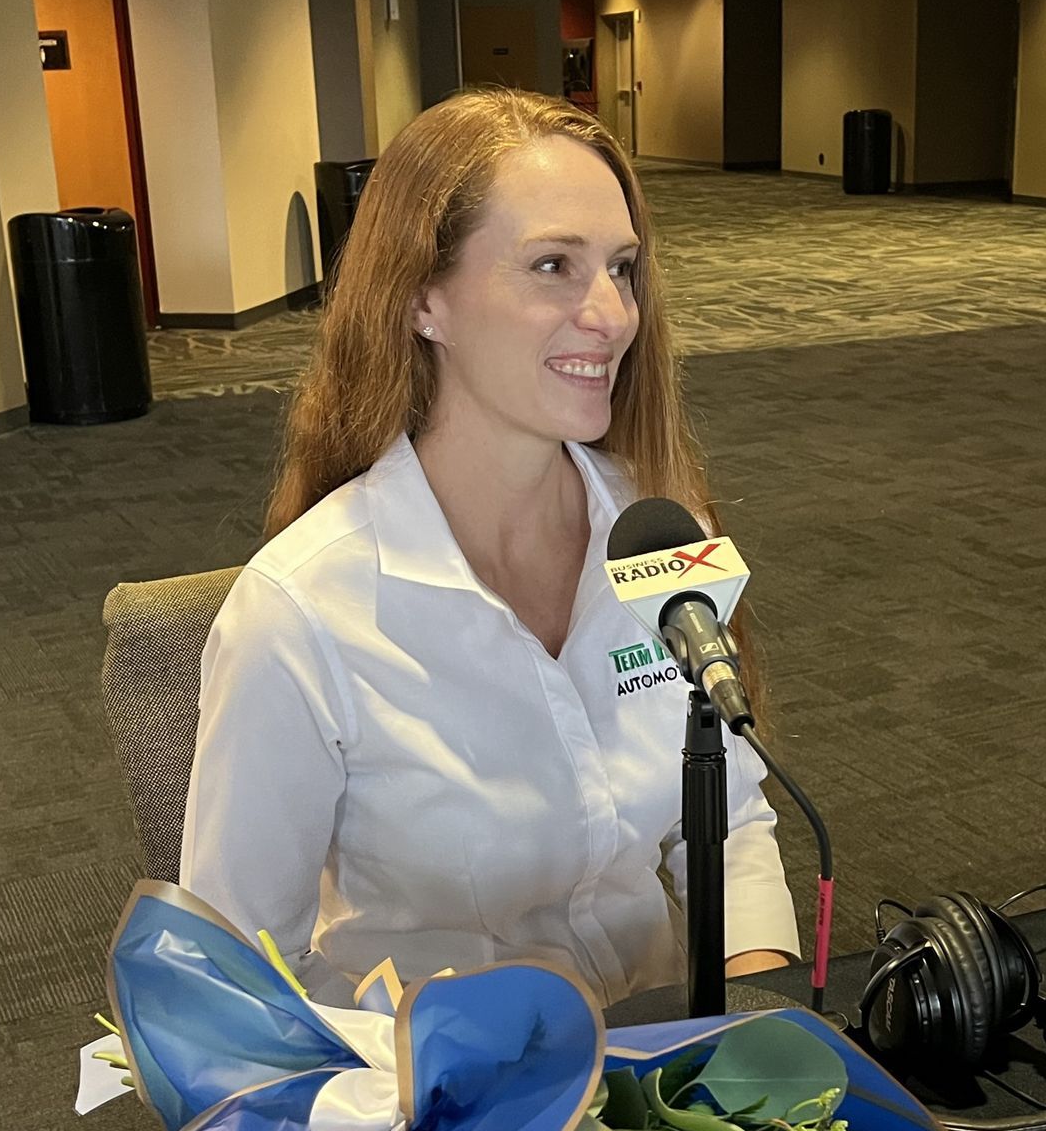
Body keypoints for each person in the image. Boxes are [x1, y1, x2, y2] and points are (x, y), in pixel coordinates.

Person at [178, 88, 798, 1007]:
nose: (614, 315)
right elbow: (234, 981)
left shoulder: (662, 530)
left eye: (621, 268)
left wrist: (755, 1021)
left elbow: (731, 816)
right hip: (439, 1084)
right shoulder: (302, 613)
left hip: (661, 1053)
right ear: (423, 299)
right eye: (553, 265)